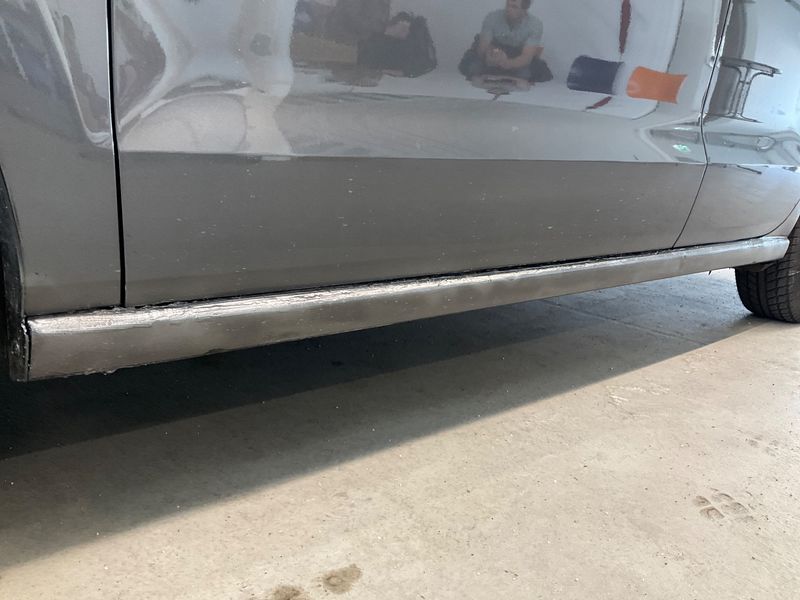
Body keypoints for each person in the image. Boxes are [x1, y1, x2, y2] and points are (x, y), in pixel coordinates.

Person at [459, 0, 545, 88]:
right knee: (473, 67)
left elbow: (526, 57)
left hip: (516, 56)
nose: (508, 9)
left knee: (527, 73)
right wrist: (490, 55)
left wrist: (507, 63)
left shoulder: (535, 25)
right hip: (494, 52)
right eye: (507, 5)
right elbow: (482, 47)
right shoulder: (492, 17)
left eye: (514, 7)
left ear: (524, 10)